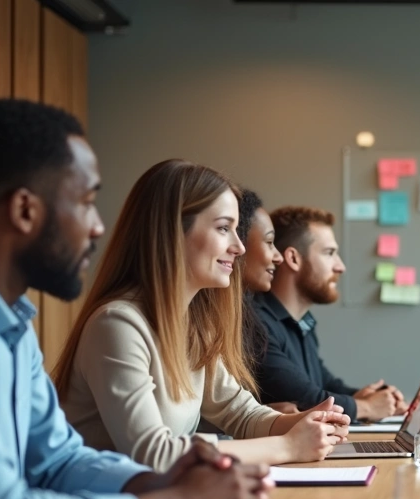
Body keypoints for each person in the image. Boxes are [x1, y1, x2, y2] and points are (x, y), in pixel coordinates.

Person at [0, 99, 271, 499]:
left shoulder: (8, 320)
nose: (98, 227)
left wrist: (158, 481)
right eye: (86, 202)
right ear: (25, 210)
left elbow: (55, 462)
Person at [53, 160, 349, 473]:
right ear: (171, 233)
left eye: (237, 230)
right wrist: (288, 445)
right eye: (224, 228)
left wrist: (302, 423)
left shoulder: (195, 326)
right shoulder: (117, 325)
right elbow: (153, 455)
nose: (238, 247)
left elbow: (240, 413)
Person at [249, 205, 405, 421]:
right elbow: (307, 398)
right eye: (329, 253)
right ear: (293, 259)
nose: (340, 266)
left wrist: (376, 398)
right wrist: (366, 408)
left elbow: (325, 384)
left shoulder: (303, 322)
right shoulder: (255, 324)